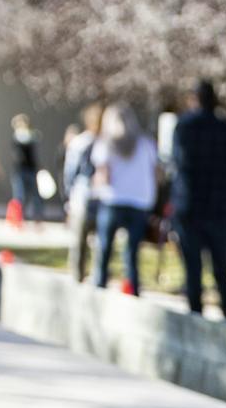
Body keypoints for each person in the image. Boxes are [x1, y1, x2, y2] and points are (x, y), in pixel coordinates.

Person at [171, 80, 226, 321]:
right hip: (218, 206)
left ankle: (196, 313)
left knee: (194, 267)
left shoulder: (185, 127)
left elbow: (179, 164)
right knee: (220, 266)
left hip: (192, 206)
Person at [91, 102, 159, 293]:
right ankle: (133, 289)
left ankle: (100, 286)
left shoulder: (106, 142)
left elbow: (103, 175)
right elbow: (155, 173)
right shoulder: (146, 143)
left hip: (113, 200)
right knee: (132, 253)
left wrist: (92, 187)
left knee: (104, 249)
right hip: (139, 202)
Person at [64, 104, 103, 282]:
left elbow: (69, 174)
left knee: (80, 243)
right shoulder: (99, 143)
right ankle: (95, 277)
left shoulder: (80, 143)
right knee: (98, 243)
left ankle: (78, 277)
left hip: (83, 196)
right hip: (95, 197)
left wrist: (68, 197)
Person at [11, 113, 43, 222]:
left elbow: (33, 139)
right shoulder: (17, 136)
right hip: (20, 171)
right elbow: (20, 140)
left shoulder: (31, 136)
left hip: (31, 170)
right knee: (20, 196)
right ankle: (19, 218)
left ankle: (37, 217)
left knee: (35, 196)